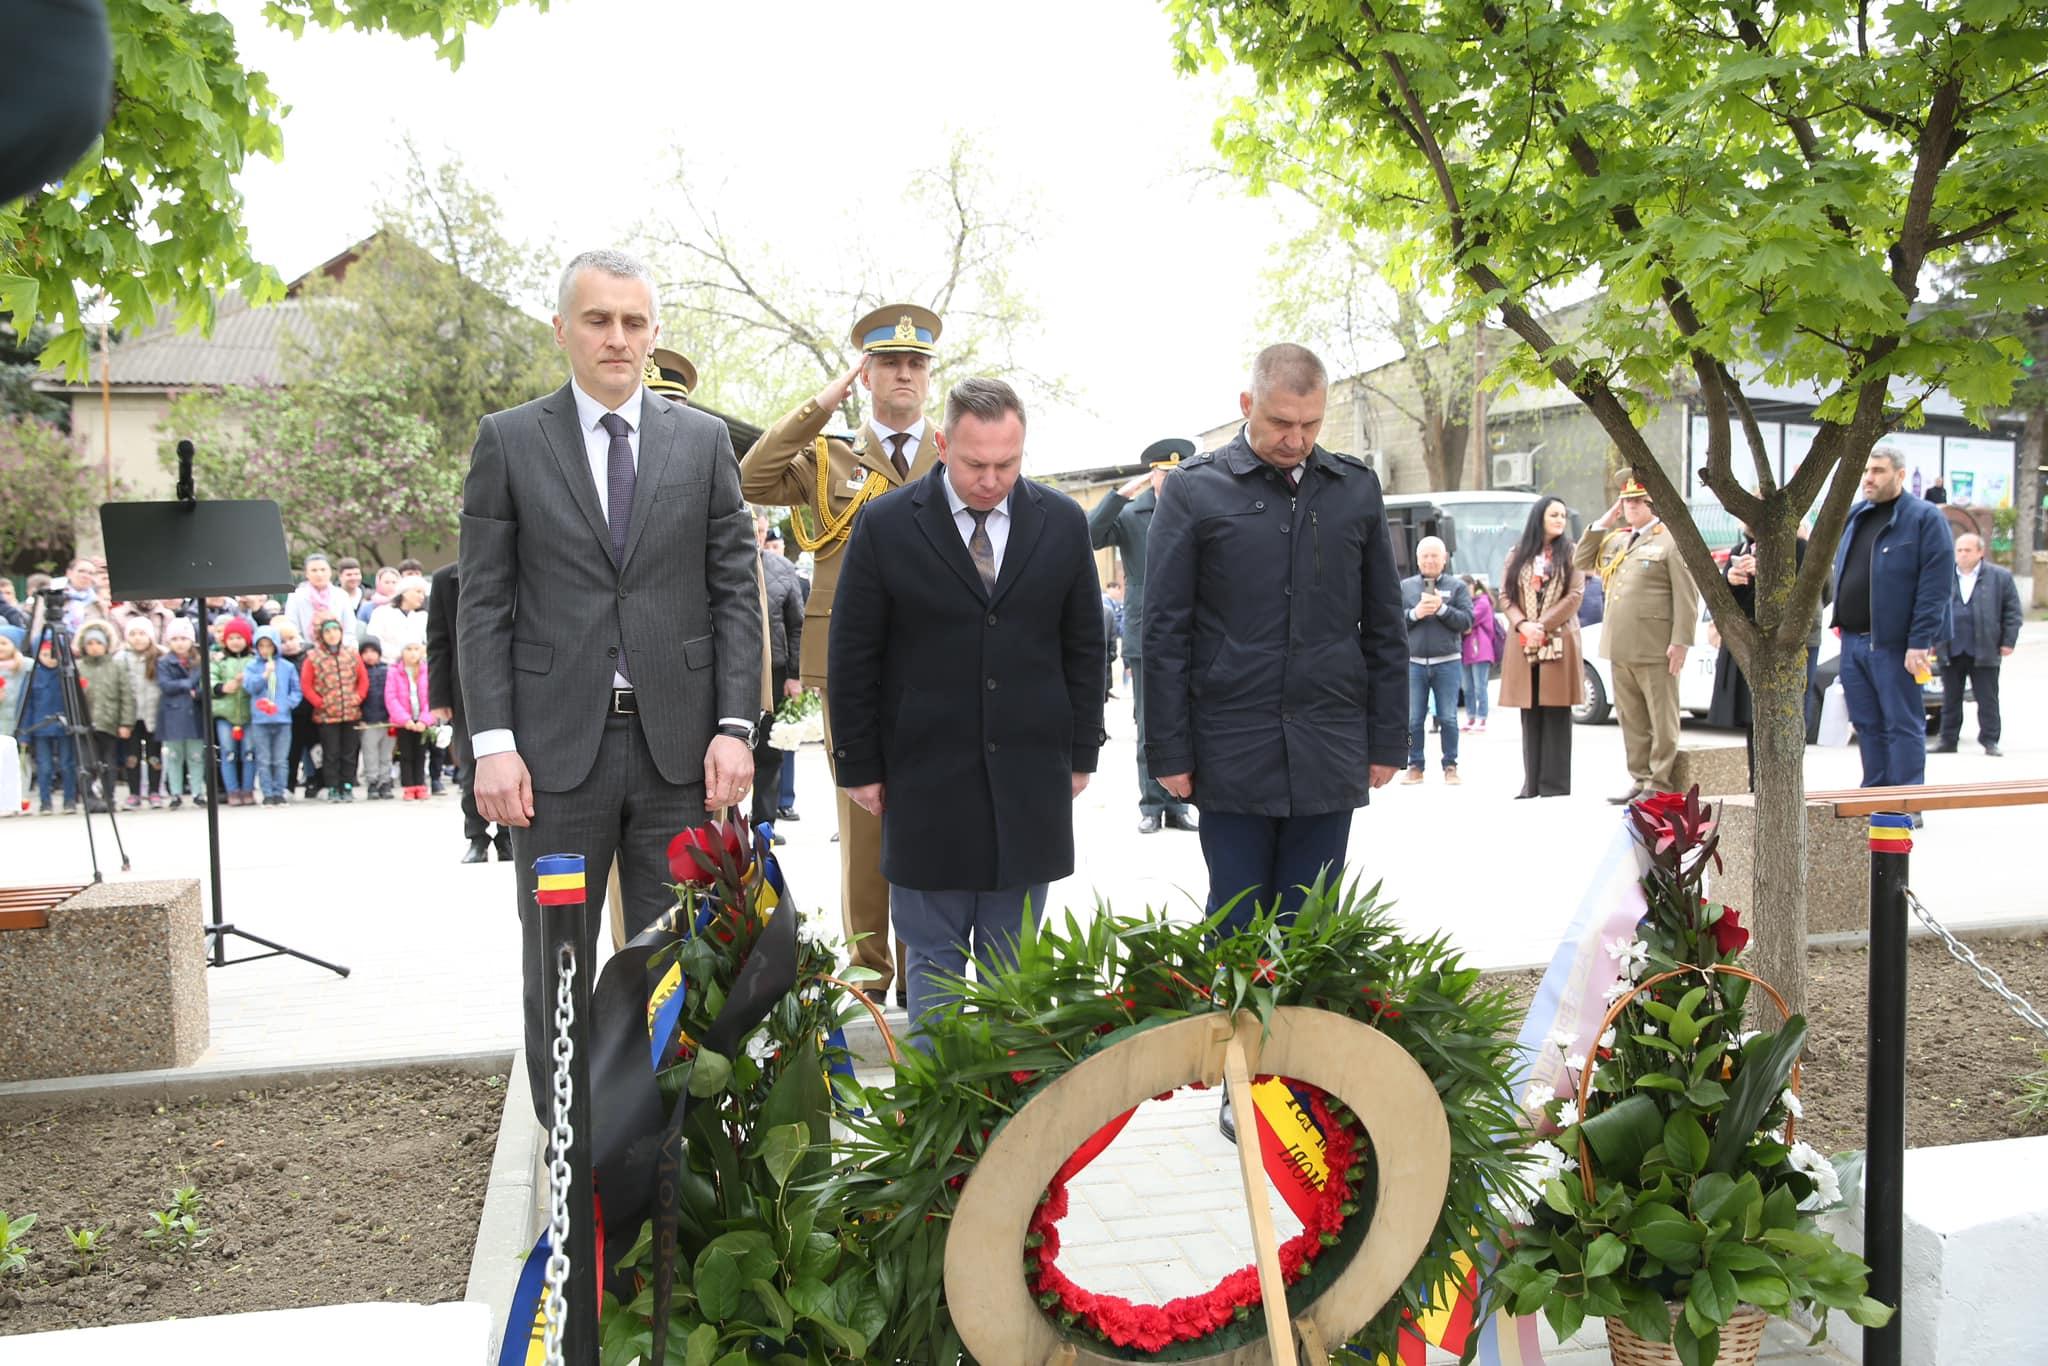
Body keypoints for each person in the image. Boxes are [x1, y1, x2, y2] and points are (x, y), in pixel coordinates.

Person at [459, 247, 759, 1111]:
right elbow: (483, 604)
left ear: (654, 333)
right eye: (598, 320)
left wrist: (736, 727)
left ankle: (669, 1156)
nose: (617, 338)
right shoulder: (510, 442)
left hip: (680, 759)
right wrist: (494, 747)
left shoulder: (702, 444)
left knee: (677, 964)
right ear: (563, 330)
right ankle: (571, 1161)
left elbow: (734, 590)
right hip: (554, 764)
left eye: (633, 322)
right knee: (556, 963)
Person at [828, 378, 1104, 1037]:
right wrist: (859, 764)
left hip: (1028, 784)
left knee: (1016, 980)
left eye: (1007, 464)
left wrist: (1083, 751)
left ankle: (1012, 1126)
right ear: (943, 444)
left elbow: (1085, 644)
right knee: (935, 970)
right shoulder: (887, 524)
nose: (991, 480)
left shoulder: (1061, 524)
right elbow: (853, 652)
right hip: (926, 784)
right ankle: (935, 1126)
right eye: (976, 464)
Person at [1144, 343, 1406, 931]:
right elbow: (1163, 630)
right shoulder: (1193, 489)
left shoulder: (1354, 488)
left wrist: (1389, 738)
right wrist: (1168, 750)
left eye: (1311, 424)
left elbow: (1385, 623)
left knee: (1311, 927)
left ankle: (1308, 1027)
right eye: (1281, 422)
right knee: (1236, 925)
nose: (1297, 439)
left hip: (1329, 744)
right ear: (1247, 404)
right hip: (1230, 747)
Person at [740, 302, 945, 1007]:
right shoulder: (829, 456)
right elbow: (752, 477)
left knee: (930, 819)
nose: (904, 375)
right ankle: (869, 974)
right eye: (889, 363)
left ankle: (925, 975)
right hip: (852, 666)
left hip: (939, 662)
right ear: (866, 374)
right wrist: (821, 401)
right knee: (863, 822)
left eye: (916, 363)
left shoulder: (953, 454)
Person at [1089, 438, 1199, 834]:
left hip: (1193, 632)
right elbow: (1090, 533)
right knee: (1151, 723)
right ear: (1152, 474)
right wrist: (1119, 496)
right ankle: (1152, 804)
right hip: (1146, 632)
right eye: (1163, 474)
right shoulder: (1134, 514)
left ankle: (1181, 805)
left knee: (1189, 721)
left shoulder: (1198, 508)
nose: (1170, 482)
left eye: (1177, 474)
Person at [1830, 446, 1952, 789]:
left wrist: (1919, 643)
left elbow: (1935, 587)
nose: (1869, 478)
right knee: (1867, 724)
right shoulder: (1857, 515)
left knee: (1902, 723)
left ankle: (1907, 800)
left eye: (1879, 471)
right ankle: (1876, 796)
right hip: (1853, 641)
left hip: (1896, 645)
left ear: (1900, 475)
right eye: (1867, 470)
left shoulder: (1925, 519)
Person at [1575, 475, 1699, 803]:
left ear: (1652, 504)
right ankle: (1640, 777)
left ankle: (1660, 782)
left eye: (1637, 501)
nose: (1630, 506)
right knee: (1631, 717)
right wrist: (1606, 520)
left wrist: (1681, 641)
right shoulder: (1618, 540)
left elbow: (1686, 596)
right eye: (1626, 501)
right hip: (1621, 644)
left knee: (1661, 718)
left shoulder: (1671, 541)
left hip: (1655, 645)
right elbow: (1581, 560)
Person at [1706, 525, 1823, 785]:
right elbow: (1724, 600)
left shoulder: (1799, 549)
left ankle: (1784, 785)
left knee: (1784, 720)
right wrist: (1732, 580)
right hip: (1749, 642)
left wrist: (1767, 574)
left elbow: (1816, 593)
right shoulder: (1742, 549)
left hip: (1787, 645)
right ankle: (1756, 782)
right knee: (1753, 717)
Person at [1498, 497, 1585, 798]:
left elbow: (1575, 595)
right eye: (1554, 514)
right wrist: (1523, 624)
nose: (1560, 520)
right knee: (1530, 710)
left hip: (1558, 638)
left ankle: (1555, 785)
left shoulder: (1572, 553)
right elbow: (1505, 596)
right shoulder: (1518, 553)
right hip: (1524, 643)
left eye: (1563, 515)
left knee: (1557, 711)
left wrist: (1542, 625)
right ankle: (1531, 783)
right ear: (1539, 518)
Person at [427, 560, 510, 862]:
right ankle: (476, 836)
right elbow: (438, 643)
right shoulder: (444, 579)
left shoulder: (514, 563)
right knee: (473, 764)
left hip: (513, 679)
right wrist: (438, 696)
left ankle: (506, 836)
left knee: (514, 760)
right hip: (464, 686)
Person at [1931, 532, 2021, 757]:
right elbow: (1931, 608)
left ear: (1980, 552)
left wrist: (2008, 641)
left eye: (1967, 550)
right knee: (1950, 698)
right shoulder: (1943, 576)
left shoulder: (1999, 577)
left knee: (1987, 697)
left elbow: (2012, 611)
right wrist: (1930, 640)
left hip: (1985, 647)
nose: (1962, 554)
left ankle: (1990, 740)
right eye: (1959, 550)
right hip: (1950, 646)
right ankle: (1948, 740)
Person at [1399, 536, 1473, 785]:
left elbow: (1466, 622)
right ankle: (1414, 765)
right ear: (1418, 560)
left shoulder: (1457, 587)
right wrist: (1414, 614)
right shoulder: (1405, 587)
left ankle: (1451, 765)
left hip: (1448, 661)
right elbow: (1392, 622)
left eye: (1435, 556)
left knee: (1449, 717)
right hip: (1414, 663)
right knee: (1413, 719)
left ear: (1444, 559)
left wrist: (1442, 609)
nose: (1430, 560)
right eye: (1425, 556)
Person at [753, 512, 805, 830]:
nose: (756, 537)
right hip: (731, 672)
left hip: (773, 674)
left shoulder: (783, 570)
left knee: (770, 753)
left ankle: (764, 825)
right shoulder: (720, 564)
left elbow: (796, 626)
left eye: (760, 531)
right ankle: (727, 828)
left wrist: (795, 675)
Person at [300, 616, 369, 802]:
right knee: (331, 753)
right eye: (328, 631)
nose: (332, 635)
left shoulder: (352, 654)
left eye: (335, 630)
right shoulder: (313, 657)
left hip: (350, 712)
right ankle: (332, 786)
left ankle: (347, 785)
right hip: (327, 715)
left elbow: (363, 680)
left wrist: (358, 697)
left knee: (349, 752)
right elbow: (306, 686)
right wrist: (320, 702)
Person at [73, 619, 133, 813]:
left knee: (108, 763)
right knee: (87, 763)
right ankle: (89, 799)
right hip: (85, 724)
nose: (94, 647)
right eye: (90, 643)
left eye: (99, 643)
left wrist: (126, 722)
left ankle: (109, 797)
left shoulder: (116, 666)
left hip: (109, 722)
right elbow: (71, 696)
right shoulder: (78, 668)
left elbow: (126, 695)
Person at [243, 624, 301, 805]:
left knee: (280, 759)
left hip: (282, 719)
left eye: (269, 645)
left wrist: (287, 705)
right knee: (264, 759)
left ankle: (279, 791)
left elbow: (296, 691)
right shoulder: (252, 667)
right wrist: (264, 675)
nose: (265, 650)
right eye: (261, 646)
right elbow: (250, 687)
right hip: (261, 720)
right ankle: (267, 792)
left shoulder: (287, 667)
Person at [156, 618, 207, 808]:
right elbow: (165, 685)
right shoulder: (164, 662)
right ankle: (175, 793)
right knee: (174, 756)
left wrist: (197, 691)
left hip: (195, 714)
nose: (179, 643)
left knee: (195, 756)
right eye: (175, 639)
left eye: (184, 638)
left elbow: (204, 685)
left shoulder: (200, 661)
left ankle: (197, 792)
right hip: (172, 715)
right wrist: (188, 685)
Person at [209, 617, 256, 805]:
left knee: (249, 752)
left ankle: (248, 789)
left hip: (249, 714)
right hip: (225, 714)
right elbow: (209, 680)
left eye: (239, 637)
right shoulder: (218, 660)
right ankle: (232, 791)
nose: (235, 641)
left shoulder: (253, 660)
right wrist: (222, 687)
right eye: (231, 637)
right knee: (228, 752)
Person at [386, 638, 434, 799]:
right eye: (408, 649)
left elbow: (431, 698)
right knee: (405, 754)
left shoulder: (427, 671)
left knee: (421, 753)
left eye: (416, 649)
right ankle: (408, 786)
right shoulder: (394, 671)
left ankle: (420, 785)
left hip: (422, 722)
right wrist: (405, 720)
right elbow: (391, 698)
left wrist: (424, 720)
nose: (413, 653)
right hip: (404, 723)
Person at [1459, 574, 1498, 733]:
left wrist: (1462, 625)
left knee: (1479, 686)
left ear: (1473, 586)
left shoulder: (1482, 602)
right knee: (1467, 686)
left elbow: (1467, 621)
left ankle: (1482, 718)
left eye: (1465, 587)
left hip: (1481, 650)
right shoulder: (1466, 603)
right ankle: (1471, 717)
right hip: (1466, 650)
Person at [356, 635, 394, 799]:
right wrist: (360, 718)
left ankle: (385, 782)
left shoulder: (388, 670)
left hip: (387, 721)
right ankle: (372, 781)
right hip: (368, 722)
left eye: (373, 651)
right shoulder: (358, 672)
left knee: (386, 754)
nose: (370, 655)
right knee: (370, 754)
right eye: (365, 652)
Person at [285, 554, 349, 645]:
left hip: (339, 648)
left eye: (323, 570)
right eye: (314, 570)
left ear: (330, 572)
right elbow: (292, 627)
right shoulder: (296, 596)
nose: (319, 574)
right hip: (307, 649)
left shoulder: (341, 595)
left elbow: (349, 628)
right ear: (307, 574)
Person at [367, 576, 429, 659]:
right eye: (418, 592)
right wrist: (402, 654)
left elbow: (427, 642)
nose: (422, 597)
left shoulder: (423, 616)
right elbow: (374, 640)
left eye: (423, 594)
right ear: (404, 593)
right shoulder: (381, 612)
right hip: (387, 664)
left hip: (418, 666)